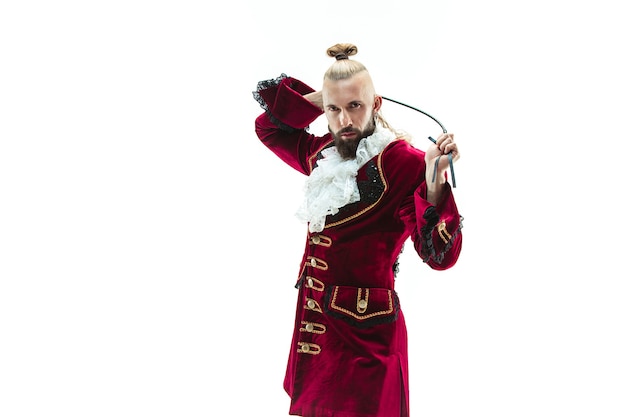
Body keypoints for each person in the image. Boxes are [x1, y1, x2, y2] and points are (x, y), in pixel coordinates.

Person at [252, 43, 463, 417]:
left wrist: (433, 179)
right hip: (316, 337)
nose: (345, 122)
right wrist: (322, 98)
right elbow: (267, 128)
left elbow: (439, 256)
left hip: (369, 343)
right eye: (334, 110)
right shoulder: (324, 156)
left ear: (376, 104)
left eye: (355, 106)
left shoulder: (403, 163)